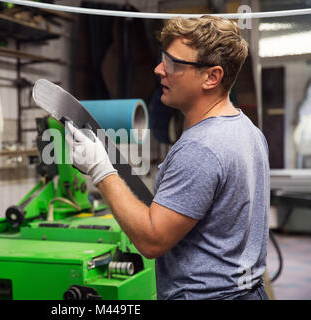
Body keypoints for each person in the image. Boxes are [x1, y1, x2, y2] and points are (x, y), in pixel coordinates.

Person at [65, 15, 270, 300]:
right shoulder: (248, 130)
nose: (159, 69)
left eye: (174, 63)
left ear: (212, 77)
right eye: (164, 58)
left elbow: (151, 240)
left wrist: (100, 169)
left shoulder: (201, 148)